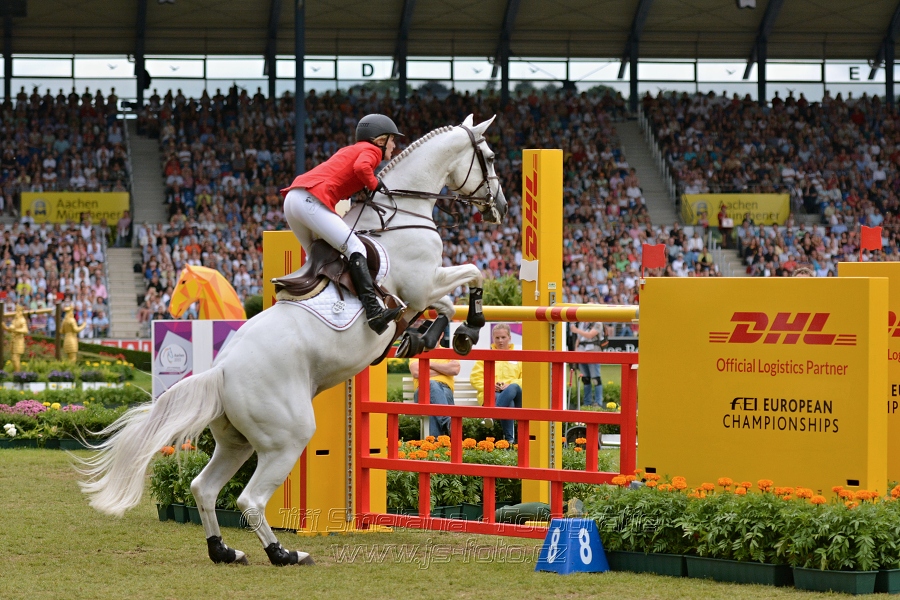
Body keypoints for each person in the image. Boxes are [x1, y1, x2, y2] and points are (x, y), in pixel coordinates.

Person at [279, 114, 405, 334]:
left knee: (318, 257)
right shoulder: (372, 151)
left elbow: (348, 174)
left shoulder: (350, 149)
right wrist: (375, 185)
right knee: (356, 248)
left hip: (293, 200)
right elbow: (361, 169)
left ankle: (316, 310)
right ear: (380, 139)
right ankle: (374, 311)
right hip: (310, 200)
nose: (394, 145)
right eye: (392, 140)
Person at [470, 323, 523, 444]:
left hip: (516, 396)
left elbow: (526, 379)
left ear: (509, 337)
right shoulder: (485, 356)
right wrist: (491, 386)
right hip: (492, 395)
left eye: (503, 337)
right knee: (507, 401)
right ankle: (510, 441)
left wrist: (508, 385)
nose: (500, 341)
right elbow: (475, 378)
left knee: (513, 387)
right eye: (497, 338)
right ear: (493, 338)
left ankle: (491, 416)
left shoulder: (519, 356)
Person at [409, 353, 459, 437]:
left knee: (433, 401)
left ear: (441, 338)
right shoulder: (417, 353)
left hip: (445, 391)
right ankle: (447, 422)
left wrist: (429, 364)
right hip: (422, 392)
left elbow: (454, 370)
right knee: (431, 383)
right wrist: (444, 370)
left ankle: (435, 444)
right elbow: (417, 372)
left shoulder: (449, 352)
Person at [570, 321, 607, 407]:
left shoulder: (597, 323)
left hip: (593, 352)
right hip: (581, 351)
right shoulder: (582, 323)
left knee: (595, 378)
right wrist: (576, 350)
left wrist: (576, 330)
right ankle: (587, 402)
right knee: (585, 378)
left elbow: (590, 335)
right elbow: (578, 339)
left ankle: (598, 402)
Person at [9, 305, 29, 372]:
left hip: (19, 341)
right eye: (16, 311)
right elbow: (11, 330)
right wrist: (5, 327)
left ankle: (17, 373)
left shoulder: (22, 320)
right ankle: (17, 372)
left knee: (15, 358)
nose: (16, 312)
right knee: (13, 358)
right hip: (13, 341)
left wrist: (15, 330)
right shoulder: (14, 320)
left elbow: (25, 330)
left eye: (18, 311)